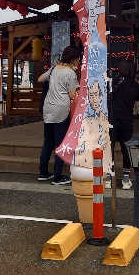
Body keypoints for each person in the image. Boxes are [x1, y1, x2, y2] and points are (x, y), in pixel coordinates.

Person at [37, 45, 81, 185]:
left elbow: (40, 79)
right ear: (74, 59)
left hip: (48, 108)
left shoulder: (54, 68)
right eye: (78, 59)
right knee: (61, 143)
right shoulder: (71, 73)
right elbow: (72, 94)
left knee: (48, 141)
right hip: (61, 110)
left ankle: (43, 173)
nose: (79, 61)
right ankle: (57, 176)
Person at [109, 60, 139, 189]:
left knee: (109, 148)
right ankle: (126, 179)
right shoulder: (135, 85)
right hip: (127, 120)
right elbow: (137, 101)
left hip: (112, 120)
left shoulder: (113, 82)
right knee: (126, 149)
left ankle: (108, 177)